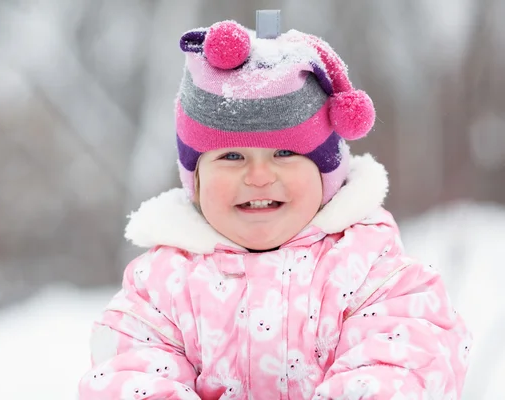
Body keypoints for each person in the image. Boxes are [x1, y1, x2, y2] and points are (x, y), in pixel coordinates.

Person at [78, 14, 471, 400]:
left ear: (326, 173)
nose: (259, 176)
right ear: (195, 182)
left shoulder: (369, 268)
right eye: (231, 156)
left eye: (285, 152)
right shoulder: (162, 284)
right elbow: (128, 374)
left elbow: (403, 361)